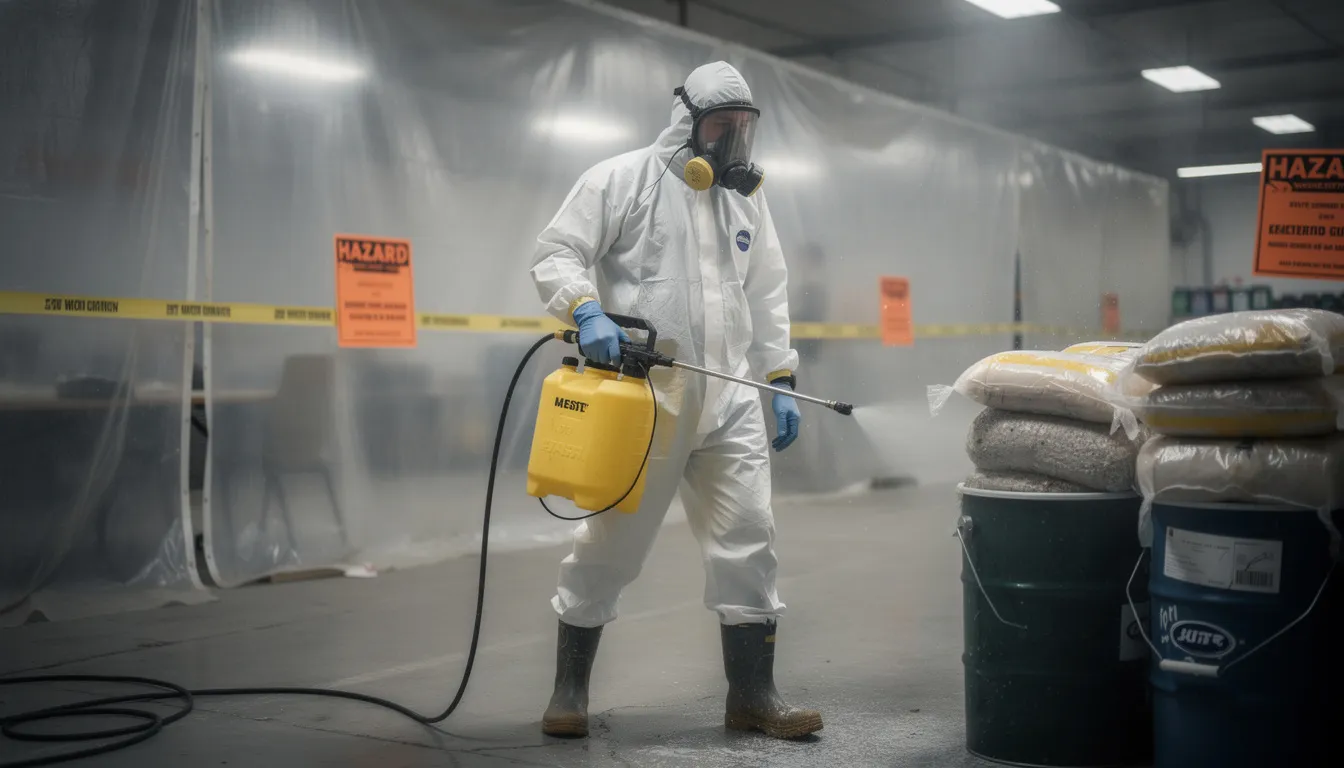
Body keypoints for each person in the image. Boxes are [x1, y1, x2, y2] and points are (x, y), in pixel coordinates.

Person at [528, 61, 821, 741]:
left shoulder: (745, 198)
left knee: (751, 541)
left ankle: (753, 697)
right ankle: (568, 692)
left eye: (743, 127)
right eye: (721, 125)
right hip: (646, 401)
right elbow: (557, 252)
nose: (732, 141)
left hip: (732, 399)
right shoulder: (620, 180)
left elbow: (768, 291)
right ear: (687, 121)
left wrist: (777, 379)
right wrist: (586, 309)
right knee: (609, 545)